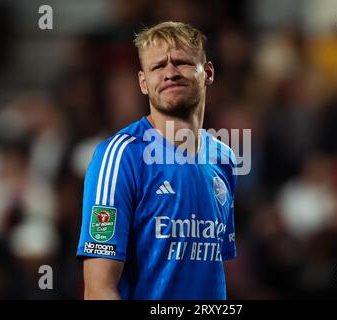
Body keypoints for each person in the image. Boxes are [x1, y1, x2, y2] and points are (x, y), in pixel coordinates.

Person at [76, 21, 238, 300]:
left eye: (183, 62)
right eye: (157, 66)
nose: (170, 73)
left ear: (208, 73)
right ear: (143, 82)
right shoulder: (119, 157)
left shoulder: (225, 158)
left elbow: (210, 271)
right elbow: (98, 289)